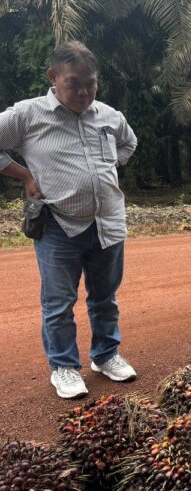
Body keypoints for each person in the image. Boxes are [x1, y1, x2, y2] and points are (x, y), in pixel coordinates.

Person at [0, 41, 138, 399]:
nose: (83, 91)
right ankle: (63, 366)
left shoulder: (109, 115)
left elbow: (129, 144)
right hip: (59, 225)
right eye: (74, 82)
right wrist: (25, 174)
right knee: (59, 303)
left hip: (108, 222)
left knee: (105, 297)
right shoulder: (28, 115)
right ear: (53, 77)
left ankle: (106, 356)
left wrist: (108, 167)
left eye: (90, 83)